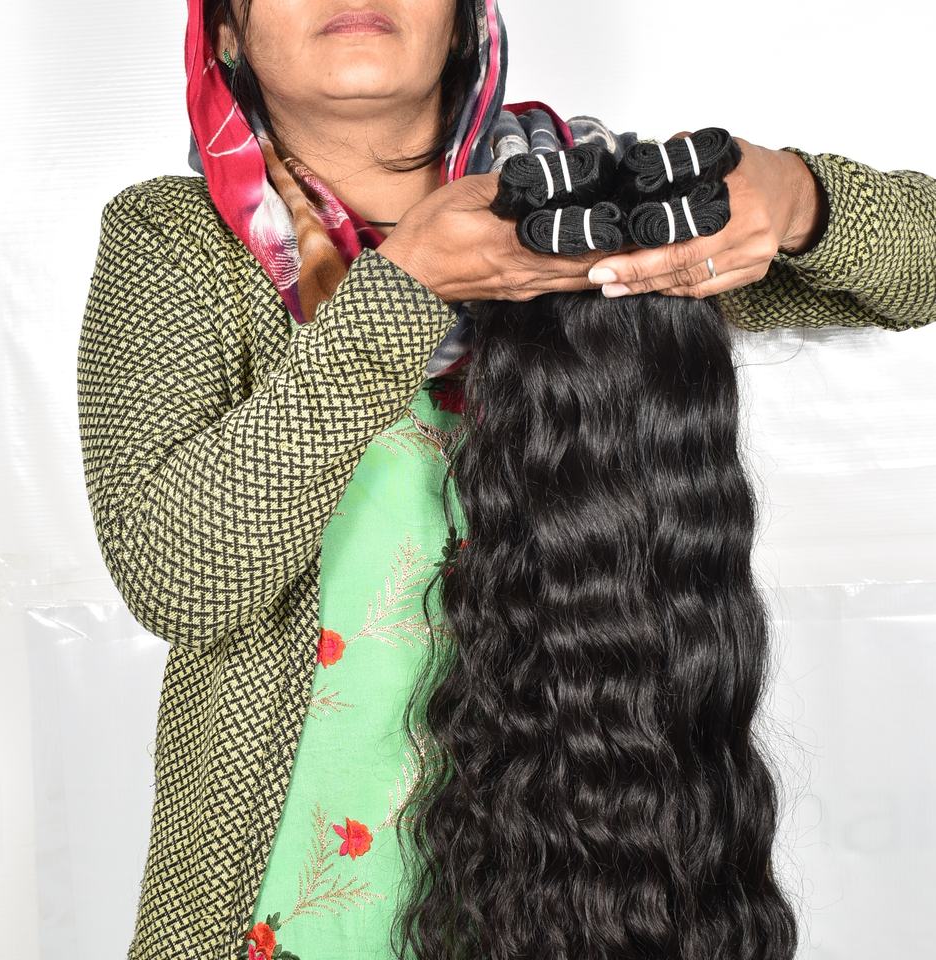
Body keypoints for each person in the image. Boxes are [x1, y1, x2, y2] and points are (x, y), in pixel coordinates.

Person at [74, 1, 936, 958]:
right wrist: (410, 282)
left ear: (462, 25)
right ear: (227, 31)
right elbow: (181, 576)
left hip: (584, 880)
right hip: (287, 906)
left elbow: (922, 264)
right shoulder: (176, 239)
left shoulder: (593, 219)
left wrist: (801, 198)